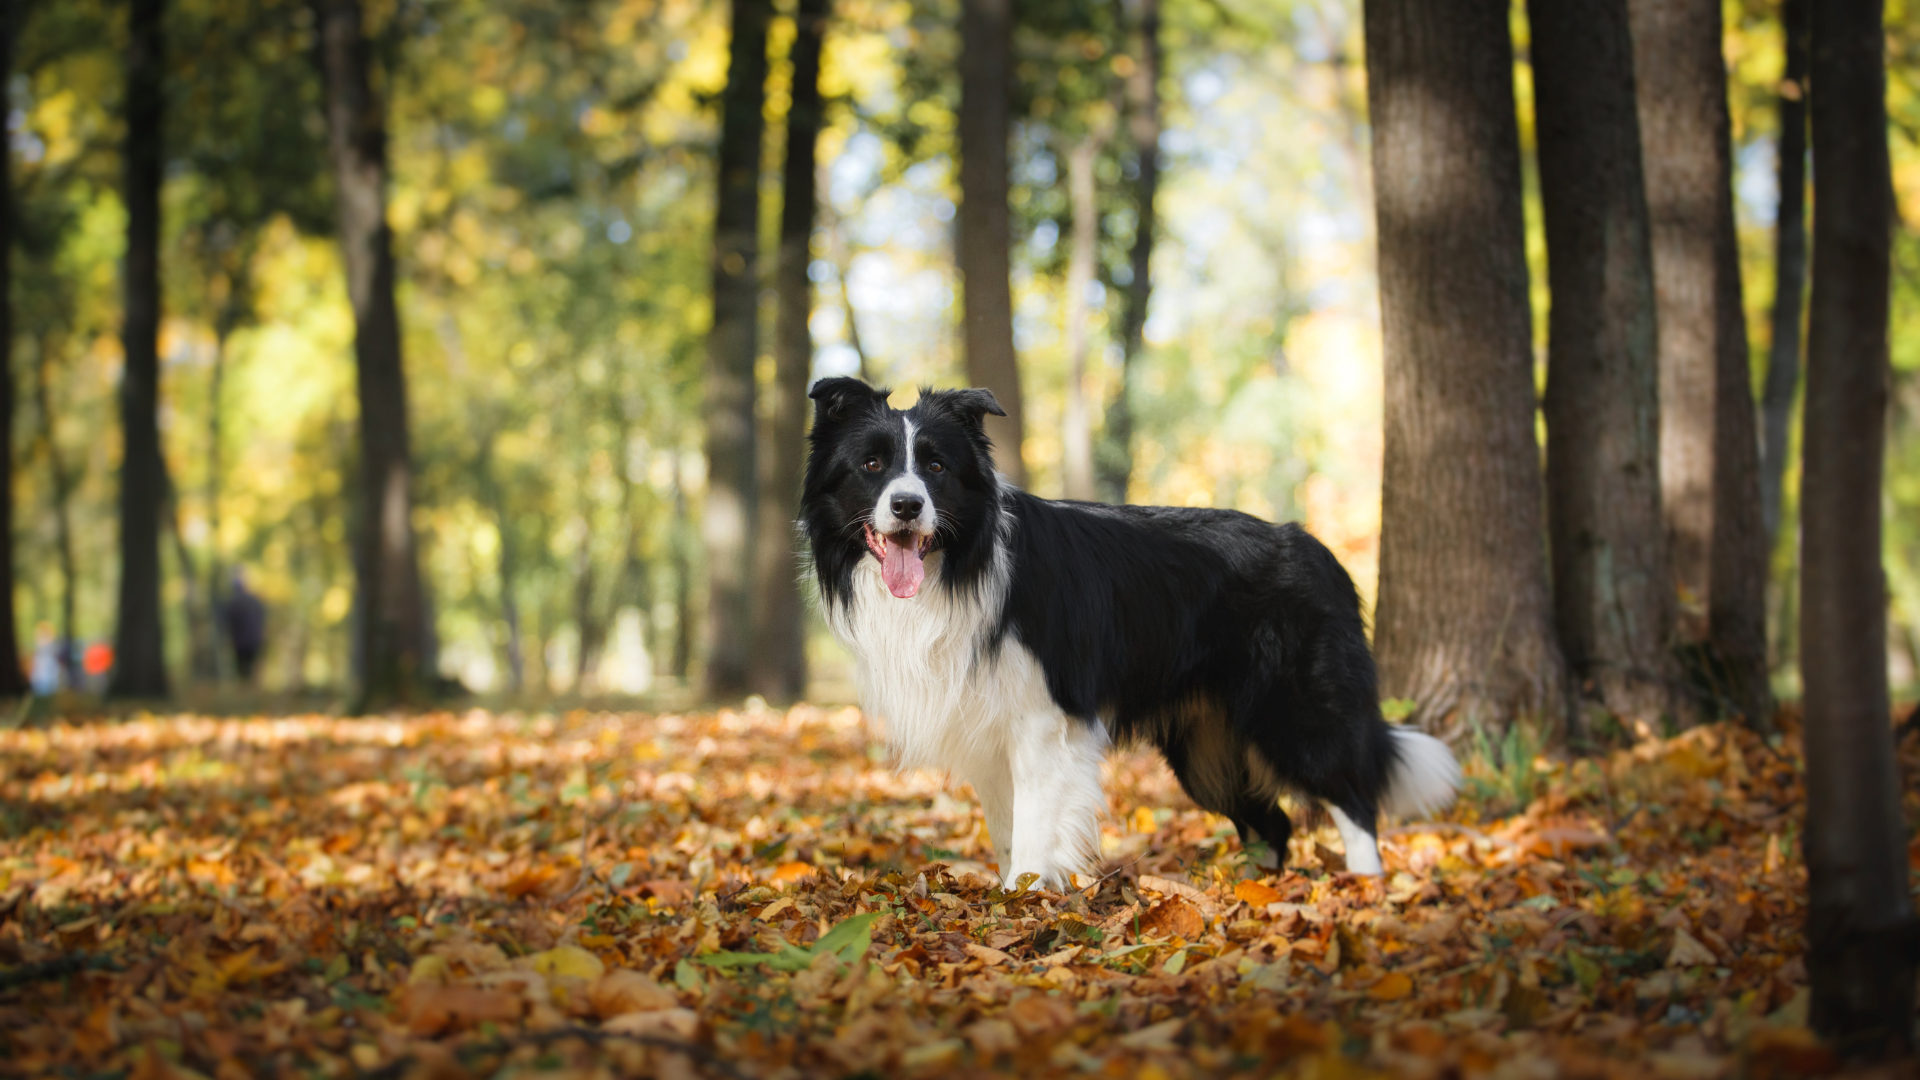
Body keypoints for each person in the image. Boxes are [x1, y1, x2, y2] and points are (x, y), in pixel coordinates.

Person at [223, 570, 267, 682]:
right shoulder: (254, 601)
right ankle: (250, 690)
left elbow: (228, 622)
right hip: (254, 640)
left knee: (242, 669)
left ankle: (246, 690)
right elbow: (262, 618)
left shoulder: (233, 602)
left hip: (241, 642)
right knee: (251, 668)